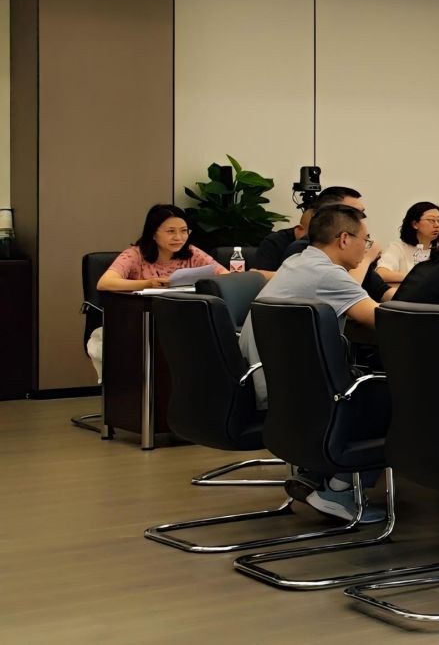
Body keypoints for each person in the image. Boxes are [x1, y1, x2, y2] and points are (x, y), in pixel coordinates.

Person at [243, 203, 384, 522]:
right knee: (393, 394)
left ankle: (317, 474)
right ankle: (340, 490)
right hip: (296, 391)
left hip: (270, 380)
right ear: (344, 239)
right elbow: (379, 319)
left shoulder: (297, 262)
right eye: (365, 239)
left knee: (362, 380)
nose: (367, 247)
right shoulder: (328, 275)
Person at [92, 205, 226, 379]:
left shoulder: (192, 253)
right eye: (171, 231)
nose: (178, 237)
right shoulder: (135, 255)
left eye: (184, 231)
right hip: (142, 323)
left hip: (185, 321)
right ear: (153, 233)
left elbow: (225, 276)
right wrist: (147, 284)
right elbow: (104, 282)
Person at [252, 185, 360, 272]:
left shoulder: (353, 244)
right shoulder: (300, 249)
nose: (358, 220)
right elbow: (260, 278)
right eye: (351, 214)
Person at [376, 201, 439, 283]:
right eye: (432, 220)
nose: (437, 225)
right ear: (415, 224)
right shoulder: (397, 248)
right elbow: (381, 273)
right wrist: (418, 277)